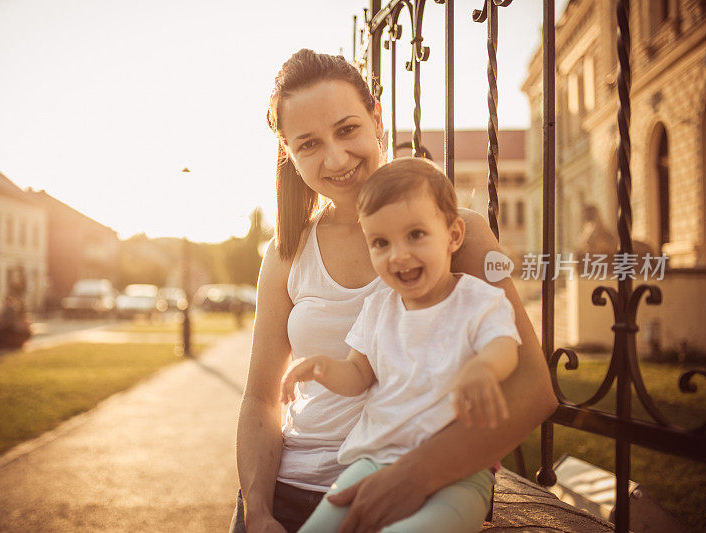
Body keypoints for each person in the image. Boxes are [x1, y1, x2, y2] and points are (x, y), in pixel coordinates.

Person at [233, 49, 557, 533]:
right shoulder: (285, 255)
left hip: (420, 490)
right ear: (290, 154)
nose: (336, 158)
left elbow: (532, 387)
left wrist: (417, 475)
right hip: (291, 490)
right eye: (309, 144)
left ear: (376, 119)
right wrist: (257, 511)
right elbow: (261, 398)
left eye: (347, 130)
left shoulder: (458, 234)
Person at [280, 158, 521, 532]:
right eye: (380, 242)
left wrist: (483, 367)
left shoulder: (475, 299)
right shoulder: (378, 308)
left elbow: (505, 344)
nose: (399, 255)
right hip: (372, 461)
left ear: (454, 235)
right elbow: (358, 373)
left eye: (416, 235)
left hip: (458, 475)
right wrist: (322, 368)